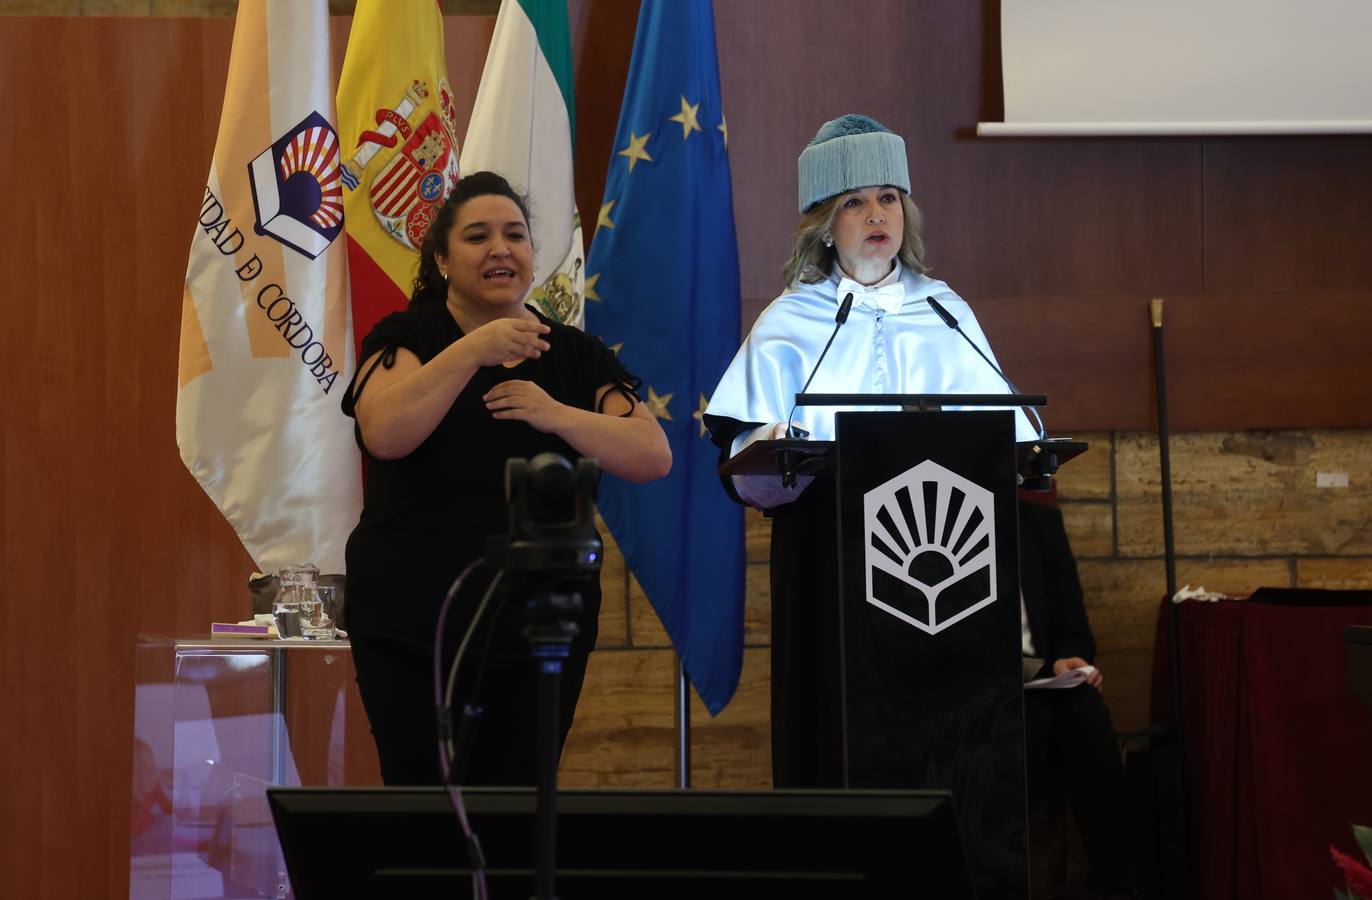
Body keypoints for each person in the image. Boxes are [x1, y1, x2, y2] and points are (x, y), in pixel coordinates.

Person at [703, 114, 1039, 787]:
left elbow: (1011, 432)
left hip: (948, 564)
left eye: (888, 197)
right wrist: (778, 440)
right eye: (854, 201)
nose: (875, 213)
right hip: (831, 557)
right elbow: (748, 449)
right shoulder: (793, 320)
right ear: (826, 223)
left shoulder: (946, 312)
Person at [341, 171, 671, 786]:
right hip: (414, 625)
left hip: (541, 626)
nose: (501, 249)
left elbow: (652, 455)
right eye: (477, 236)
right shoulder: (407, 338)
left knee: (519, 816)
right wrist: (473, 350)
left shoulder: (574, 354)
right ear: (440, 258)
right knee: (426, 813)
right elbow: (384, 432)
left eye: (515, 235)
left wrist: (557, 415)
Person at [1019, 490, 1133, 899]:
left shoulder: (1039, 525)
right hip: (971, 686)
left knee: (1084, 707)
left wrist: (1072, 661)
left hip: (1042, 680)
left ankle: (1116, 882)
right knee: (1027, 725)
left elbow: (1075, 631)